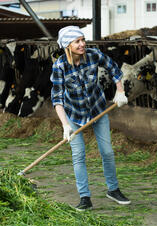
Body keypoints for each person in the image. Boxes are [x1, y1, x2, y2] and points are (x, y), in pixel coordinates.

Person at [50, 26, 130, 211]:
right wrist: (65, 126)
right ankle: (85, 197)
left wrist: (120, 90)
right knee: (78, 155)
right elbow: (57, 98)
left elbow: (113, 68)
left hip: (97, 110)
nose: (82, 44)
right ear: (67, 45)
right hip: (74, 115)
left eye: (83, 39)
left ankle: (113, 189)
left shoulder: (93, 55)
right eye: (77, 41)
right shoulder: (59, 66)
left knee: (107, 152)